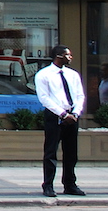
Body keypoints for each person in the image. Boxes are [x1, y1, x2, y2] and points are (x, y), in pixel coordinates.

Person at [35, 44, 85, 198]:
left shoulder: (73, 75)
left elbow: (79, 95)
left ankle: (70, 184)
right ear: (59, 56)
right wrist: (62, 114)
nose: (70, 57)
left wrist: (75, 113)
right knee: (51, 151)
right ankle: (48, 185)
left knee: (71, 152)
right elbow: (44, 98)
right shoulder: (44, 75)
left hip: (72, 115)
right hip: (55, 115)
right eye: (67, 55)